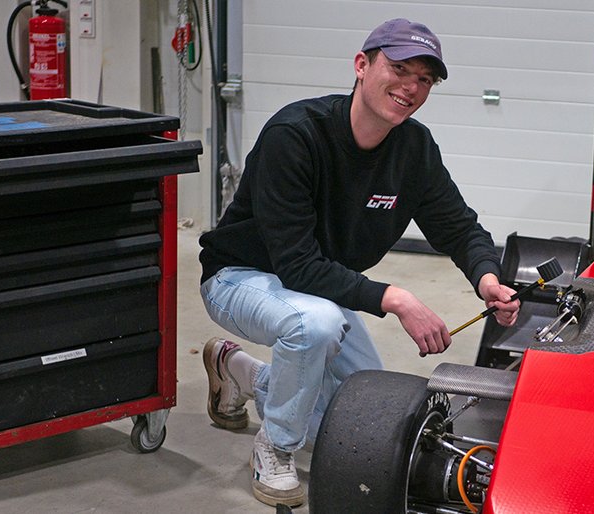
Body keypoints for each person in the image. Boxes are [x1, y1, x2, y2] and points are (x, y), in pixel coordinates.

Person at [196, 18, 520, 508]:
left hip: (320, 288)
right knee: (316, 327)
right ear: (362, 65)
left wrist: (487, 277)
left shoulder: (413, 148)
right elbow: (297, 263)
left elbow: (458, 226)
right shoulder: (296, 134)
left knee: (363, 427)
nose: (410, 87)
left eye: (424, 79)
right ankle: (275, 447)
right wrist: (396, 299)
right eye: (399, 68)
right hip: (241, 278)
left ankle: (240, 372)